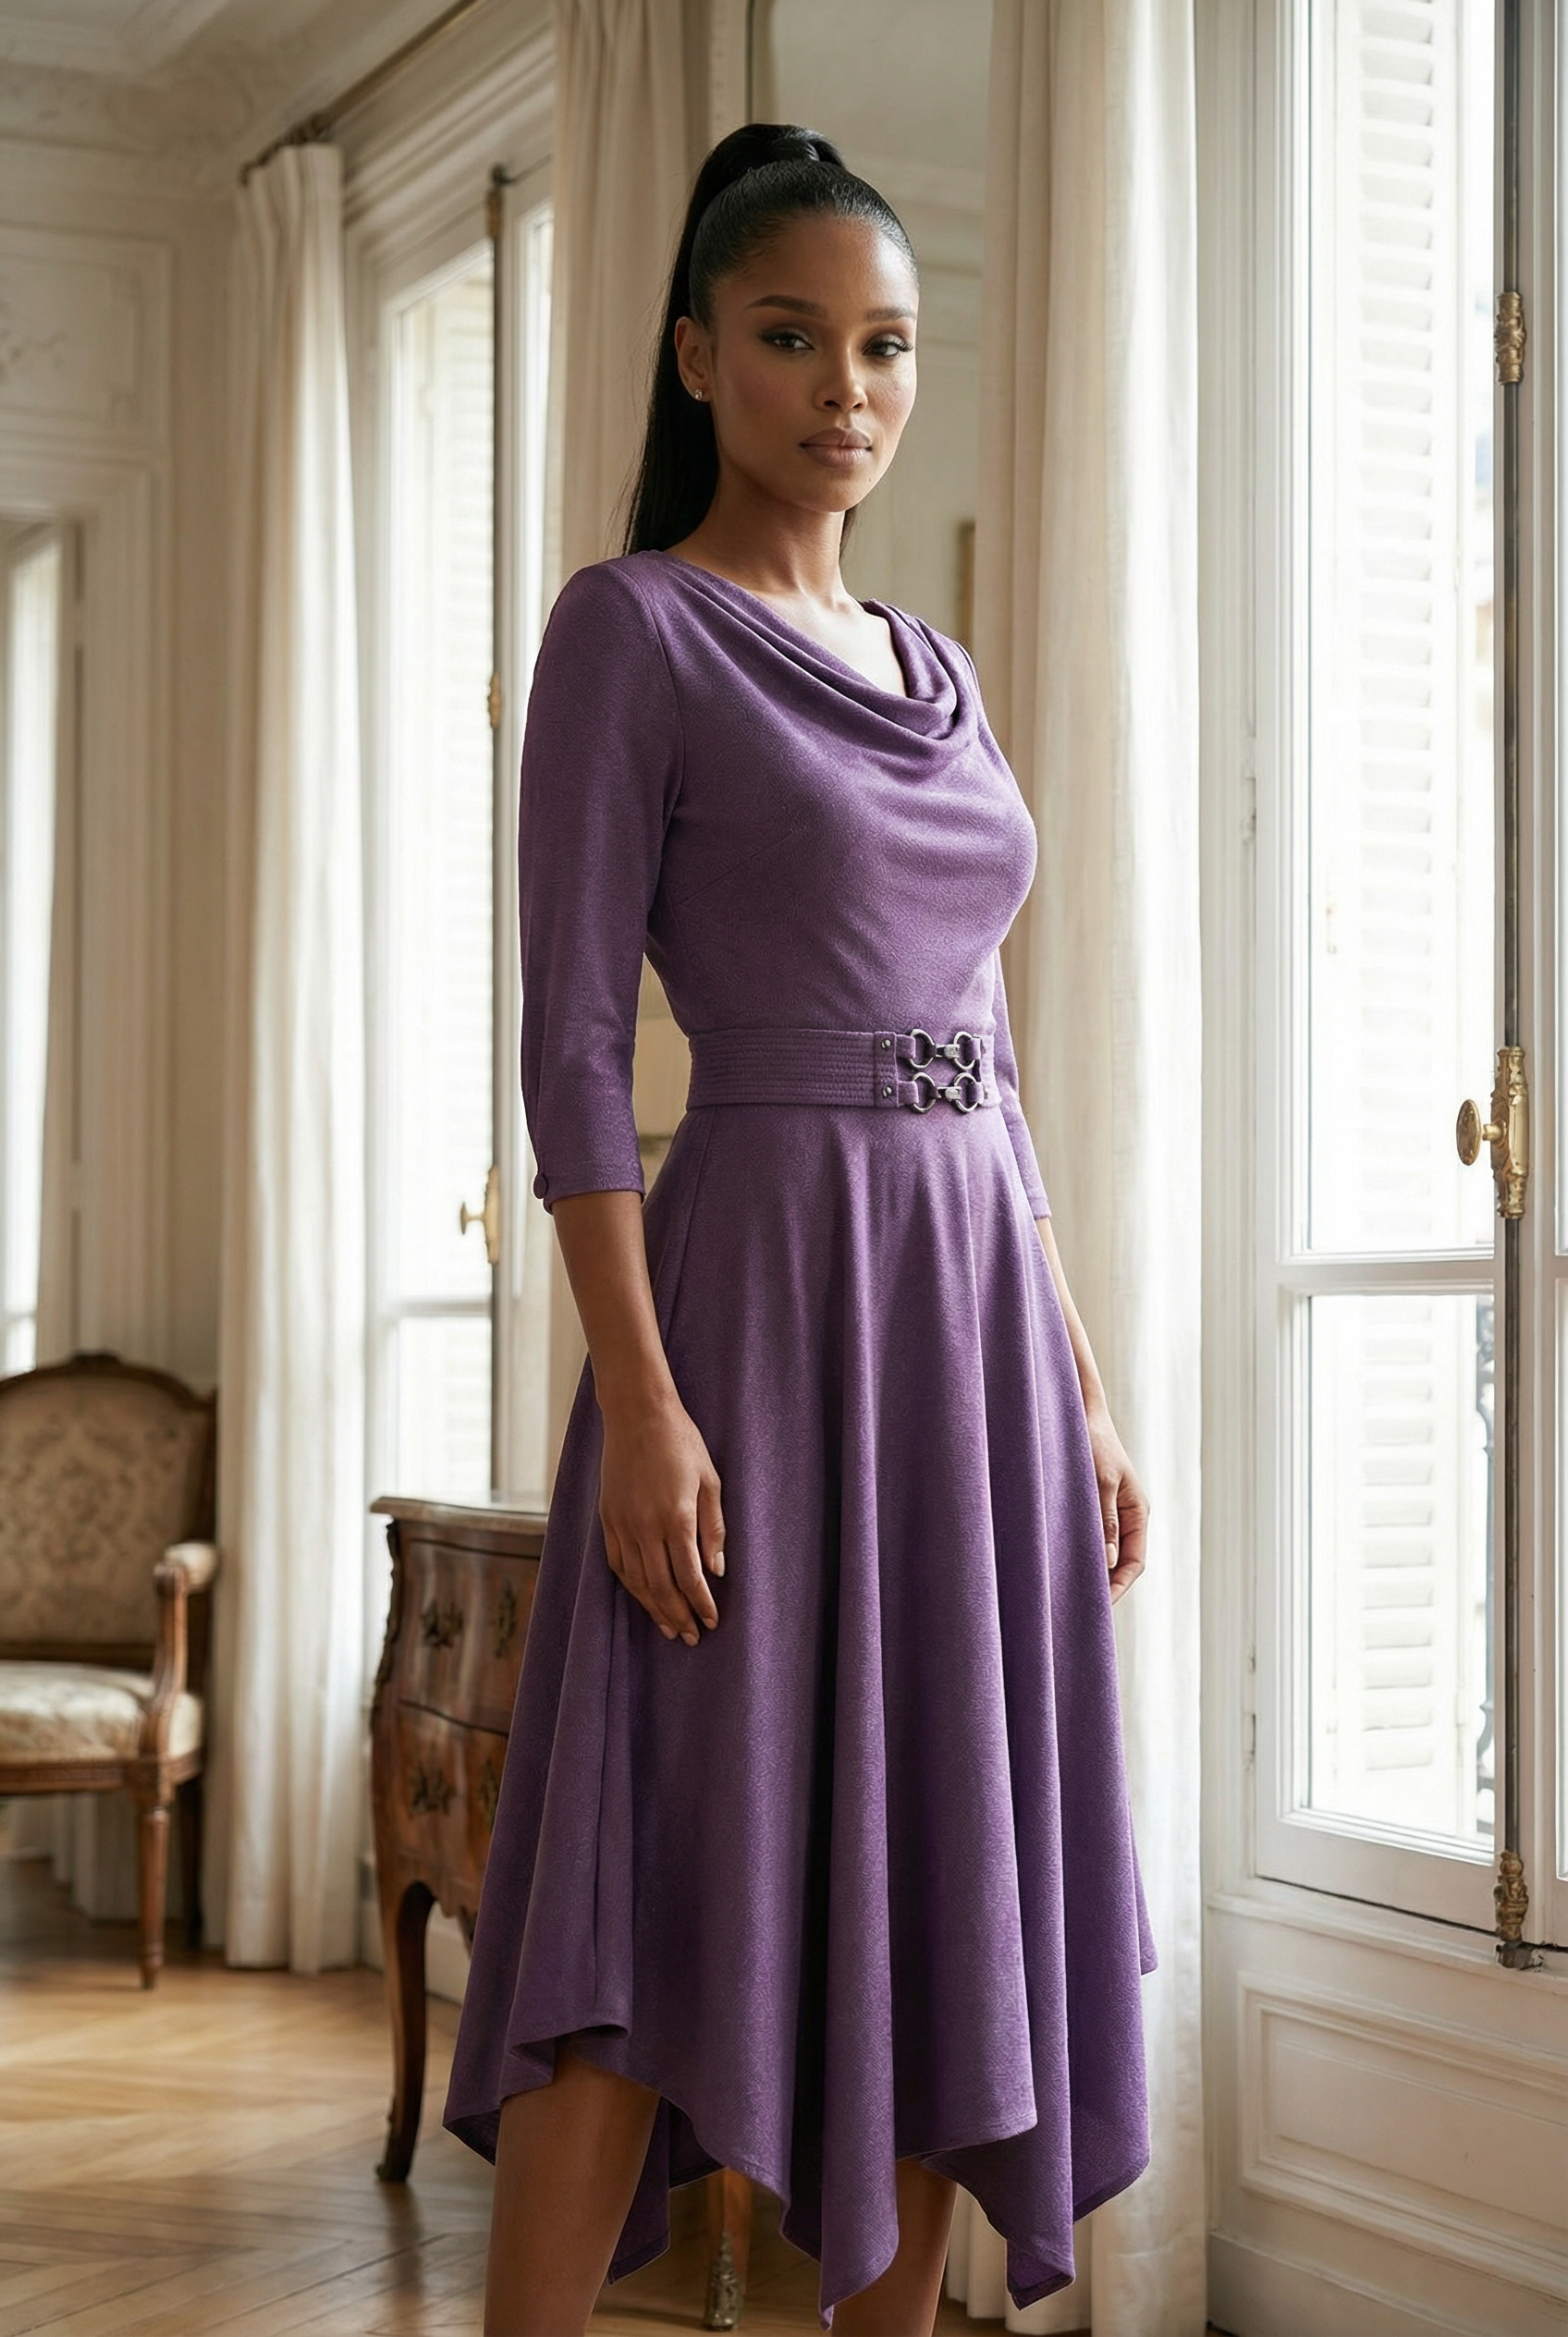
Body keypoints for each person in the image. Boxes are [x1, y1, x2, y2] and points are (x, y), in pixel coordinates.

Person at [444, 121, 1157, 2337]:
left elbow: (994, 1063)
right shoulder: (630, 631)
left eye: (882, 346)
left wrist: (1081, 1373)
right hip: (749, 1314)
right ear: (696, 357)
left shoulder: (935, 674)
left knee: (956, 1904)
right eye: (788, 339)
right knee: (633, 1889)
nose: (842, 386)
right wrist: (637, 1403)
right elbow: (572, 1055)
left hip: (967, 1339)